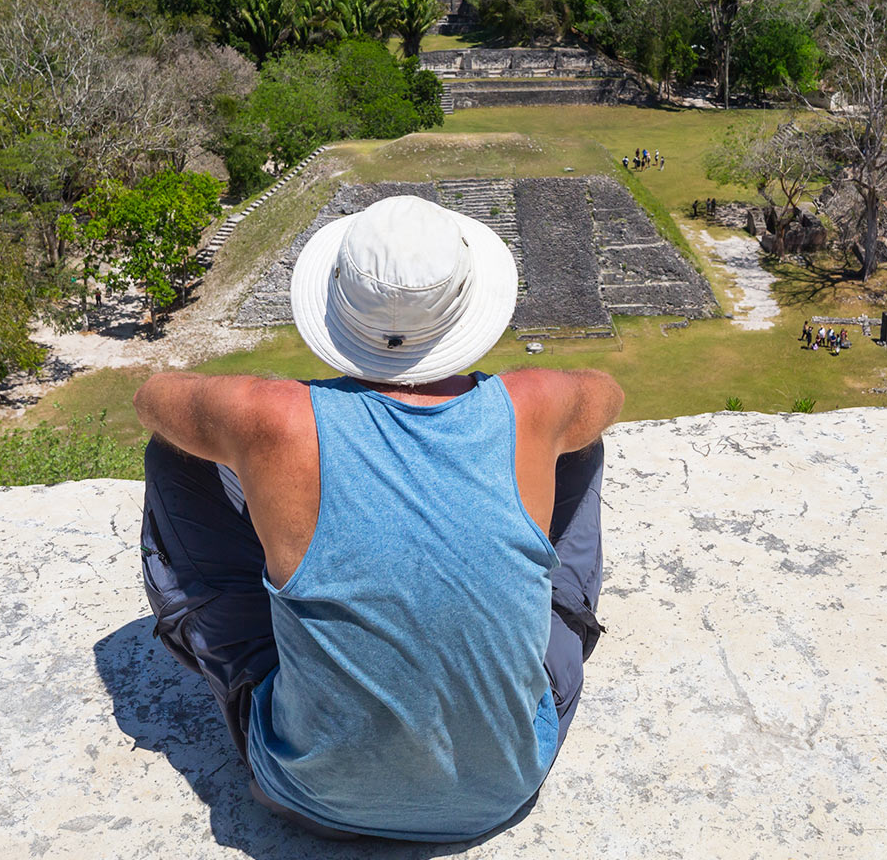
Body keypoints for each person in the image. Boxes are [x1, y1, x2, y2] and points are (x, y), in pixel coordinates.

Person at [134, 194, 624, 842]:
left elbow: (152, 399)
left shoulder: (271, 417)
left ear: (339, 306)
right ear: (468, 301)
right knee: (581, 440)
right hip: (505, 785)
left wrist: (253, 434)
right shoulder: (532, 404)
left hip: (306, 794)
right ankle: (537, 630)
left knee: (174, 455)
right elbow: (607, 394)